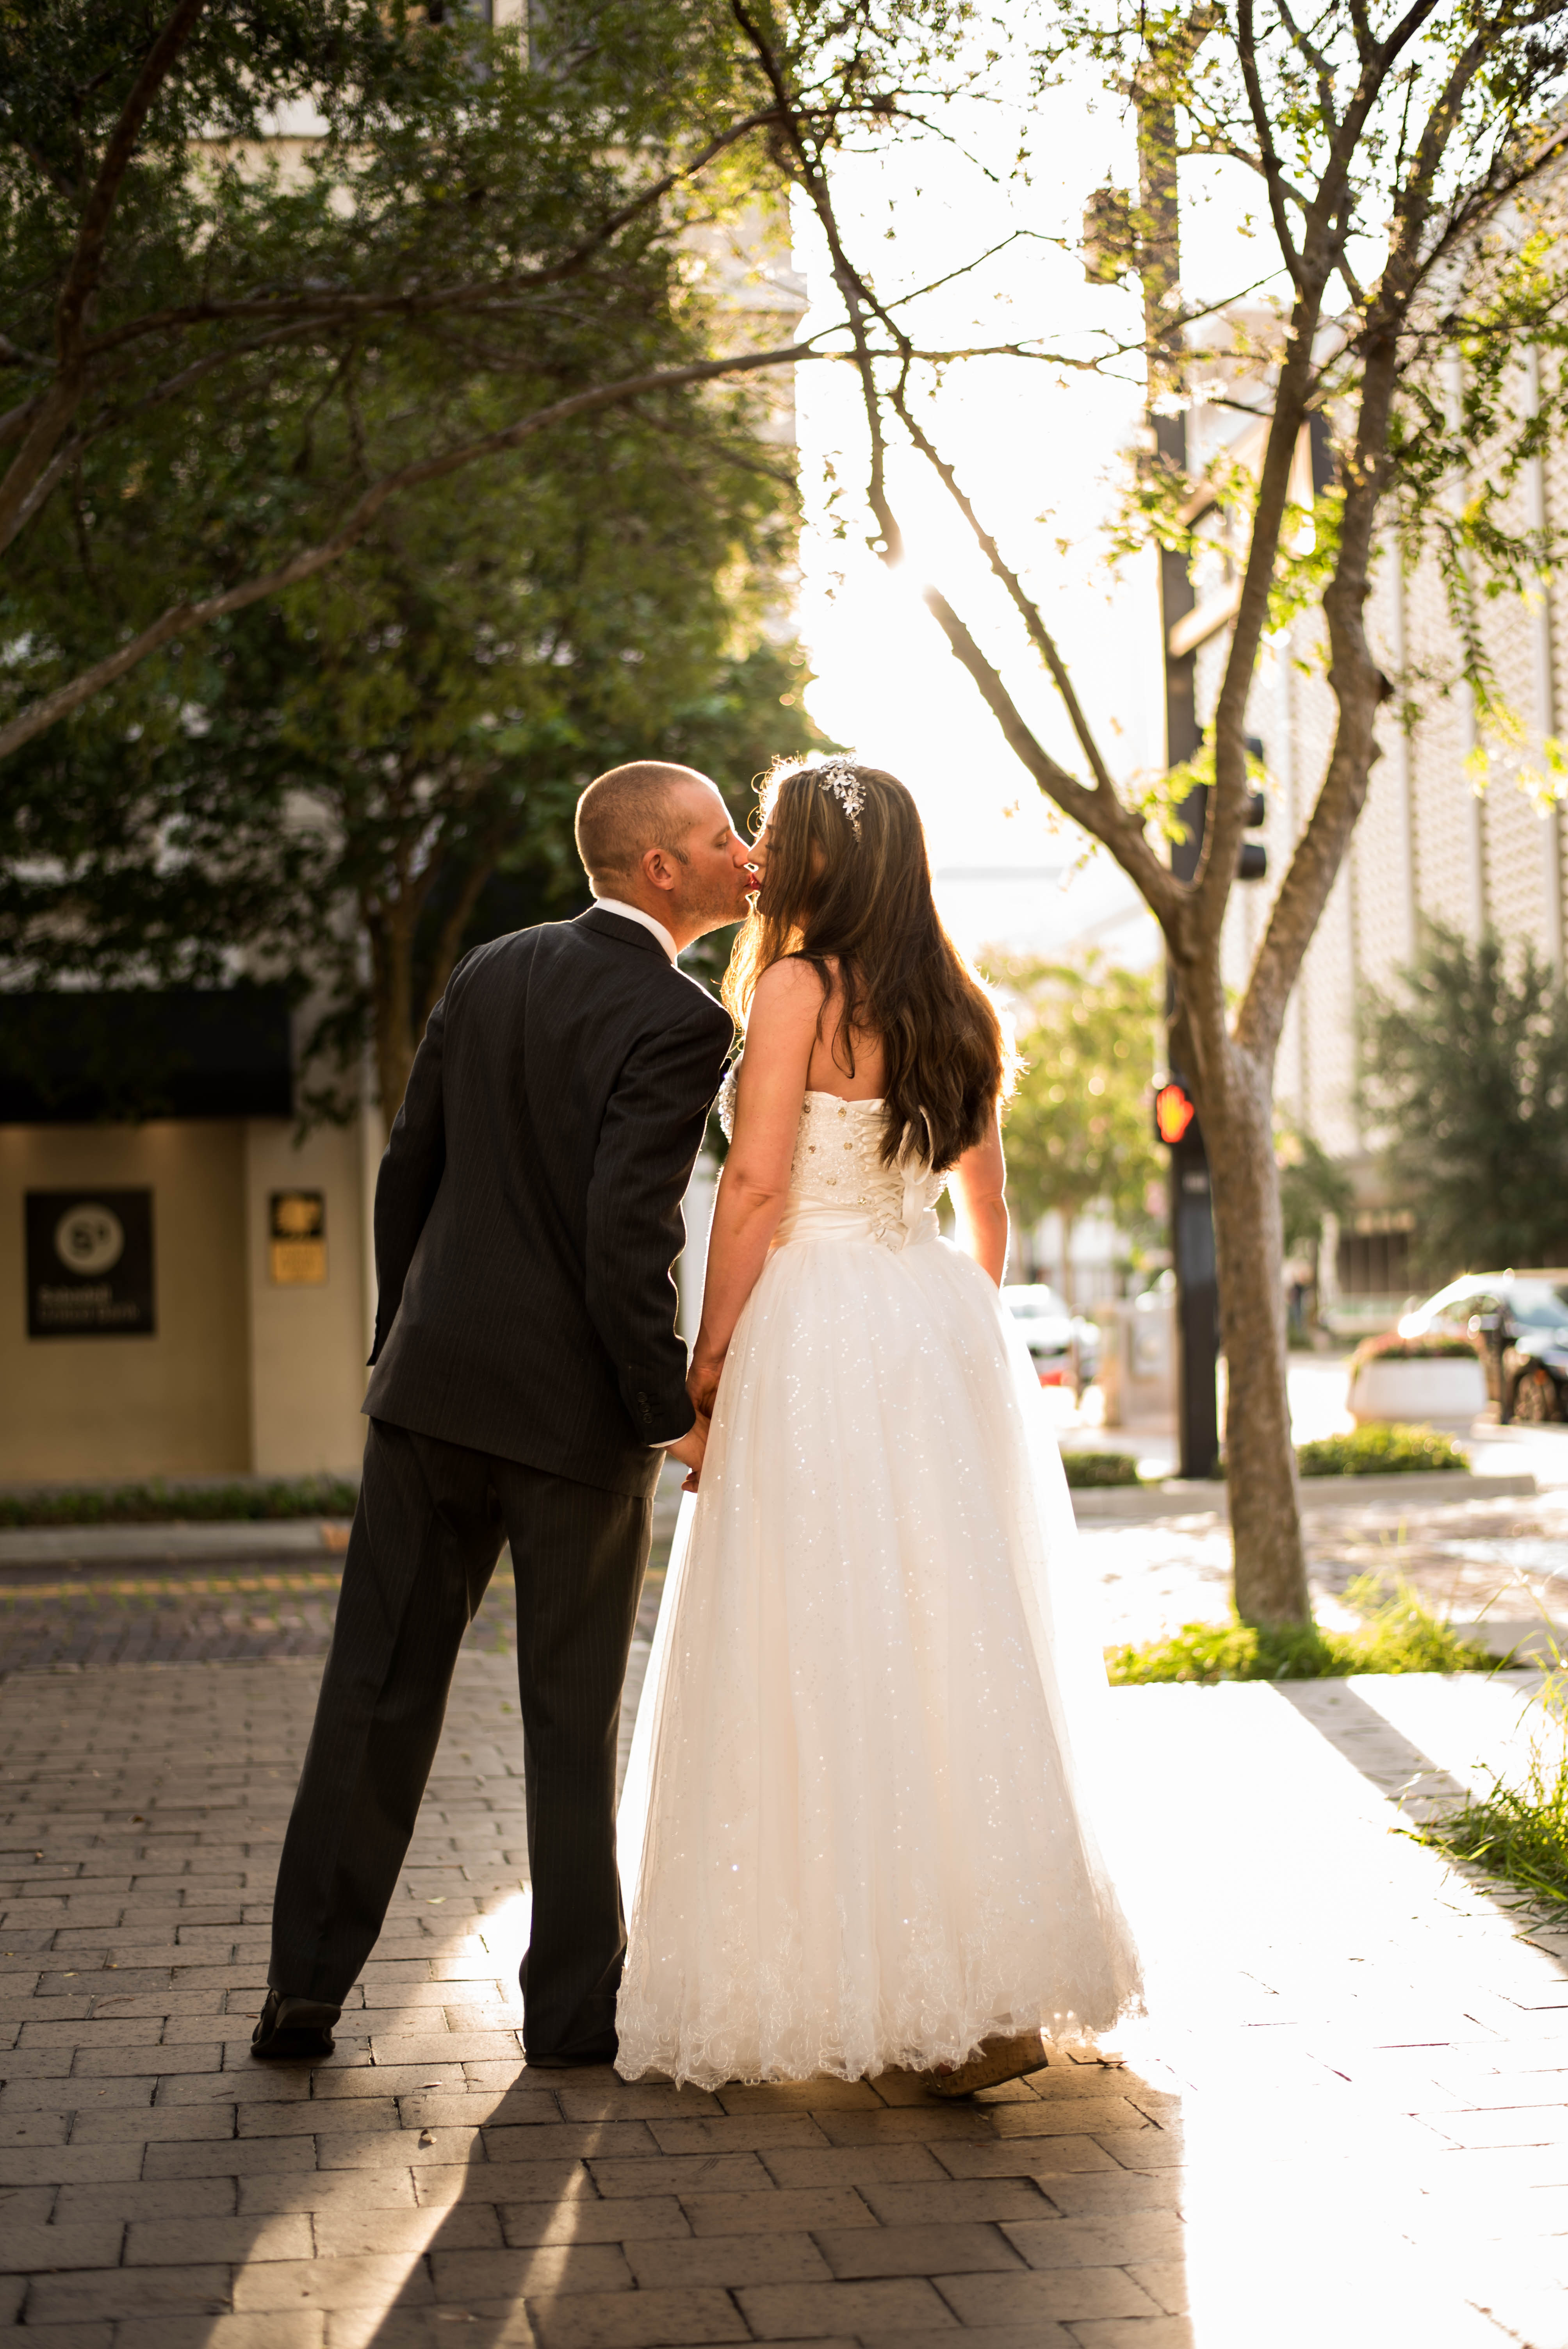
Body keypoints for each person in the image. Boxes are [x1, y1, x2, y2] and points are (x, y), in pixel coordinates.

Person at [615, 759, 1142, 2095]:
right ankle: (987, 1994)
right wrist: (943, 1322)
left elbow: (754, 1184)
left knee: (823, 1637)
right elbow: (995, 1216)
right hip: (934, 1323)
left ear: (820, 866)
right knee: (952, 1633)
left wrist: (714, 1356)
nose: (762, 859)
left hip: (816, 1324)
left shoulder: (799, 989)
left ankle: (881, 1998)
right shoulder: (958, 1003)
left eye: (776, 838)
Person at [253, 761, 754, 2067]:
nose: (742, 853)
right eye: (720, 836)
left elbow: (406, 1162)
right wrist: (666, 1412)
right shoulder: (687, 1021)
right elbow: (623, 1234)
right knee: (567, 1722)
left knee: (373, 1693)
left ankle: (301, 1992)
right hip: (576, 1424)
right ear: (661, 870)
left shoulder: (490, 968)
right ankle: (572, 2019)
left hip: (429, 1399)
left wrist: (396, 1346)